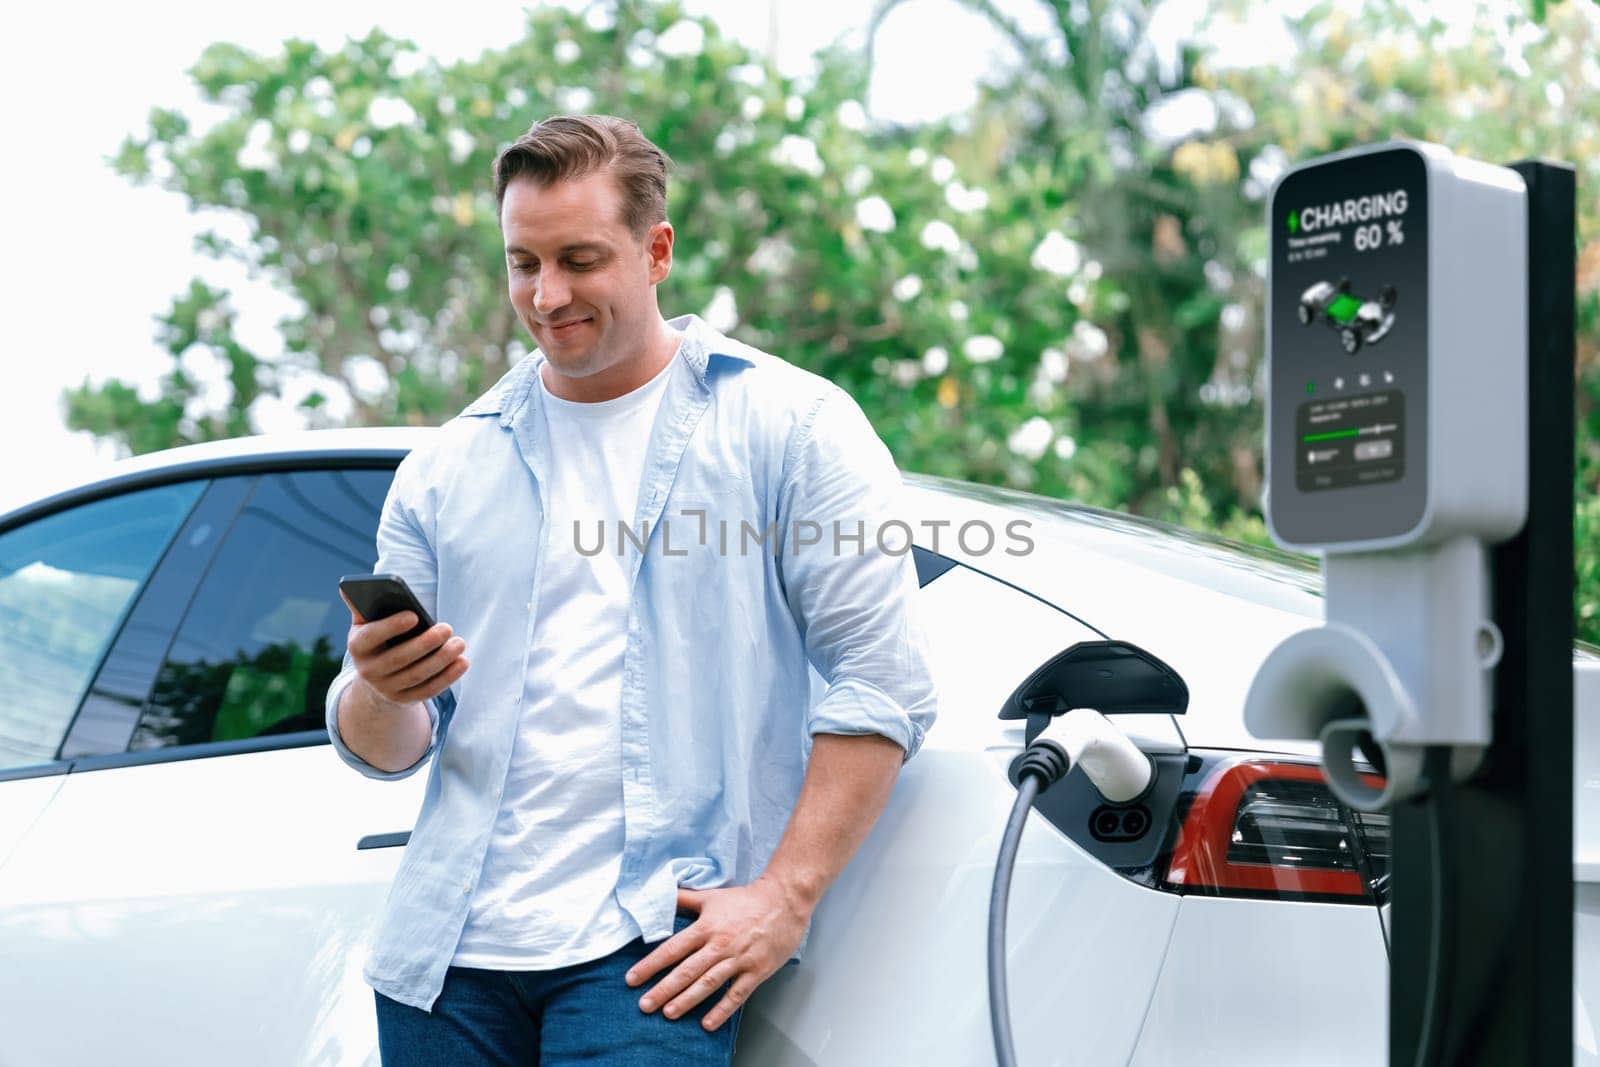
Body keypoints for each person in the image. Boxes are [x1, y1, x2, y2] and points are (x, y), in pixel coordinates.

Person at [325, 114, 937, 1066]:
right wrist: (378, 689)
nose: (546, 294)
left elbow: (882, 679)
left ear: (656, 252)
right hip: (442, 962)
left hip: (650, 951)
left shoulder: (795, 427)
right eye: (522, 262)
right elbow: (390, 749)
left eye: (579, 259)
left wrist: (783, 898)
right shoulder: (446, 467)